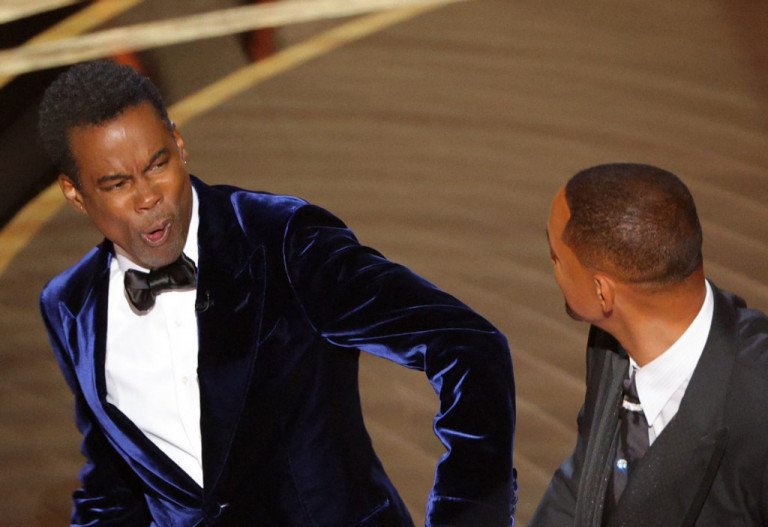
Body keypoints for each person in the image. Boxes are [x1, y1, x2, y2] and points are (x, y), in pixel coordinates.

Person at [37, 60, 517, 526]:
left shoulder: (283, 240)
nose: (148, 197)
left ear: (180, 146)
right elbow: (115, 482)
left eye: (157, 164)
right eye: (118, 184)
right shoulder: (70, 306)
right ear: (75, 194)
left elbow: (466, 344)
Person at [530, 163, 768, 526]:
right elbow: (583, 486)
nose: (552, 266)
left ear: (602, 292)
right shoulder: (610, 344)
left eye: (556, 257)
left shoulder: (757, 403)